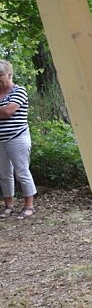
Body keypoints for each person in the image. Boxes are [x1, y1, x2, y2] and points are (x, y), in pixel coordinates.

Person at [0, 60, 36, 220]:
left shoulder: (19, 91)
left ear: (9, 75)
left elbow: (8, 111)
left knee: (22, 172)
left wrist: (4, 110)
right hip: (0, 141)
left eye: (0, 75)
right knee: (4, 174)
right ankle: (9, 206)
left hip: (17, 138)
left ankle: (29, 206)